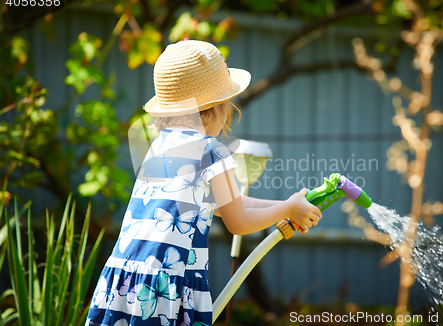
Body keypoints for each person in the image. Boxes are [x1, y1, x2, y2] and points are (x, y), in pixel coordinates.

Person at [85, 39, 322, 326]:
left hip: (124, 281)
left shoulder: (160, 146)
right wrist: (287, 210)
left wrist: (289, 206)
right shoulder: (210, 151)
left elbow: (225, 205)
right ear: (220, 107)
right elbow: (238, 221)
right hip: (165, 290)